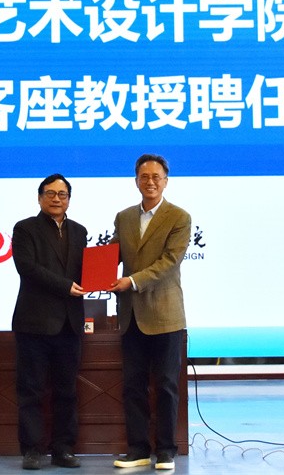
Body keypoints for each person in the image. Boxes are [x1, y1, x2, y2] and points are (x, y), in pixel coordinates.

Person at [109, 154, 190, 471]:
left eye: (156, 176)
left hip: (165, 315)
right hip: (130, 316)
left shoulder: (179, 217)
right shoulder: (124, 217)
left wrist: (131, 281)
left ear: (166, 181)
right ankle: (138, 449)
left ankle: (166, 450)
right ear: (136, 181)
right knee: (133, 386)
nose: (150, 182)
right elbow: (112, 254)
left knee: (167, 386)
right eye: (144, 176)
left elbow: (169, 263)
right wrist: (94, 273)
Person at [11, 174, 88, 470]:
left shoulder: (79, 231)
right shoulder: (25, 228)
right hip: (34, 323)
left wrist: (101, 277)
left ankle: (63, 449)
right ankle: (32, 450)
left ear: (69, 199)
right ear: (40, 197)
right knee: (31, 390)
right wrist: (66, 286)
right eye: (51, 193)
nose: (57, 198)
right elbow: (27, 268)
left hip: (70, 324)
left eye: (62, 194)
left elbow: (85, 270)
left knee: (67, 391)